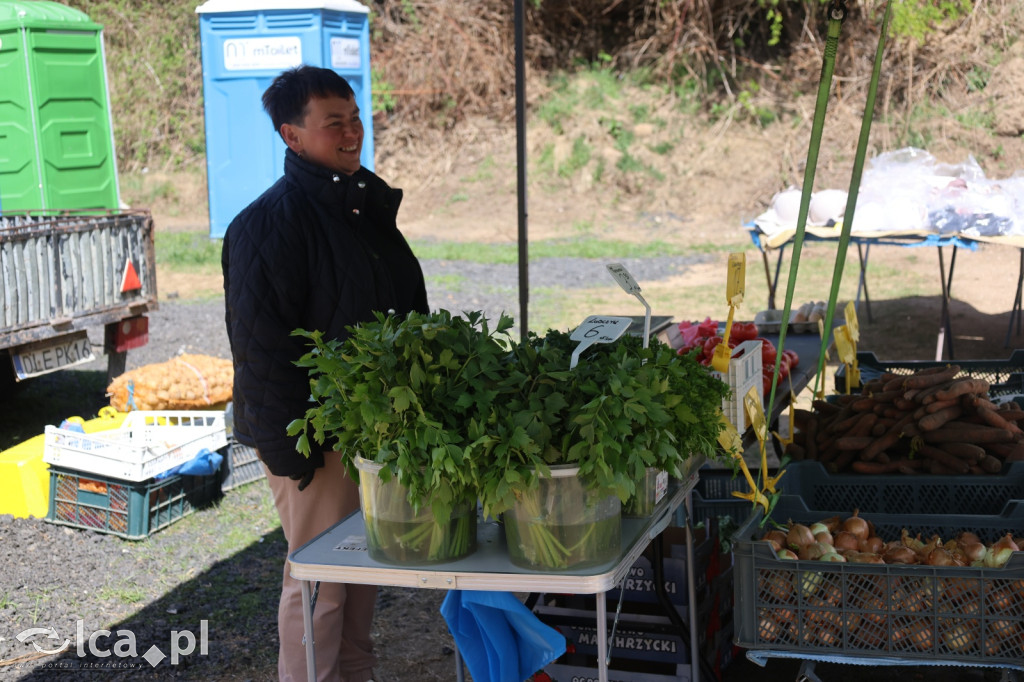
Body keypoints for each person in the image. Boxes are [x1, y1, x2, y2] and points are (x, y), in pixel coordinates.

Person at [222, 65, 428, 682]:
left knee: (365, 570)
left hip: (372, 431)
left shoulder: (361, 208)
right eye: (333, 122)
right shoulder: (268, 223)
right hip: (314, 438)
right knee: (320, 581)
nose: (351, 132)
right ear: (291, 135)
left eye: (355, 117)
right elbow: (260, 351)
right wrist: (292, 453)